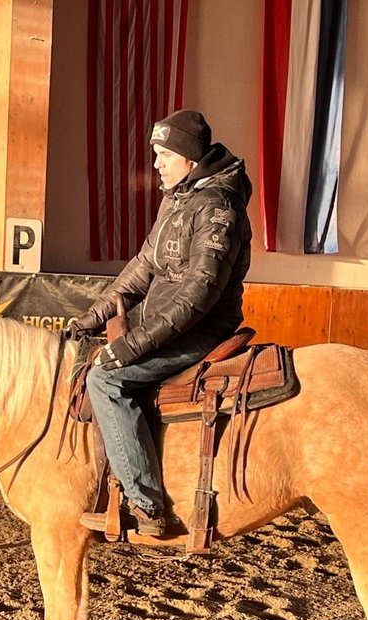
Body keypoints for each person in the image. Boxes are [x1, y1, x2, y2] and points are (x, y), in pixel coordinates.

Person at [67, 109, 253, 537]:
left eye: (164, 155)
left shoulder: (218, 208)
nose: (156, 164)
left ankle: (146, 505)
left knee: (107, 381)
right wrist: (93, 316)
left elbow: (197, 296)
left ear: (189, 158)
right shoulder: (179, 199)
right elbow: (143, 266)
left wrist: (132, 346)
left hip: (201, 330)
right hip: (166, 323)